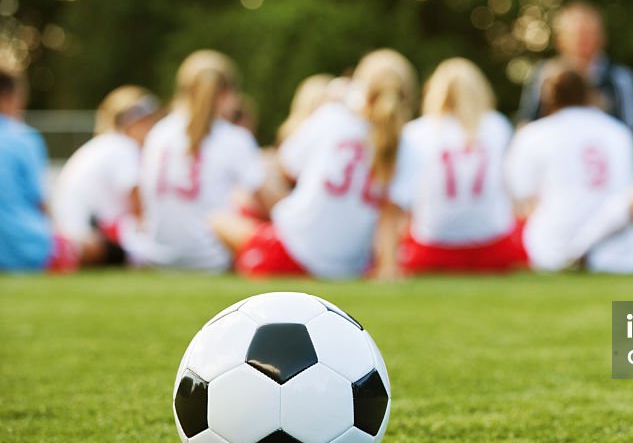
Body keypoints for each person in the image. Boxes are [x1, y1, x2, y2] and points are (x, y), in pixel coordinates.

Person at [214, 49, 418, 279]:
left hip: (291, 249)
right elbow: (390, 216)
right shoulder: (406, 144)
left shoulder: (333, 116)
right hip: (348, 265)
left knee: (217, 219)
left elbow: (285, 166)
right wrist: (387, 268)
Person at [386, 58, 524, 274]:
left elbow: (403, 202)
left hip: (432, 249)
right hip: (494, 248)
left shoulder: (417, 132)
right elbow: (515, 191)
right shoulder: (497, 126)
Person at [135, 50, 266, 271]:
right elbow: (264, 200)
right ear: (228, 93)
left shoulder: (159, 133)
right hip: (213, 257)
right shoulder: (233, 138)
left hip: (158, 256)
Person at [506, 67, 633, 273]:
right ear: (589, 94)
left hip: (552, 250)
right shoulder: (619, 133)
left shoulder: (534, 134)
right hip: (618, 254)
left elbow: (520, 193)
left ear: (547, 97)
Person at [51, 86, 160, 262]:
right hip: (84, 238)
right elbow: (139, 208)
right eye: (146, 120)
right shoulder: (123, 147)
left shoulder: (107, 144)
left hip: (73, 233)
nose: (151, 127)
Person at [518, 0, 633, 133]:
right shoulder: (544, 74)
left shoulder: (619, 77)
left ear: (602, 38)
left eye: (588, 33)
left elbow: (632, 129)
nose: (582, 40)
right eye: (576, 34)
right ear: (560, 40)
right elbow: (527, 123)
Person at [0, 68, 78, 272]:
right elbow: (41, 202)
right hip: (26, 248)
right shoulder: (23, 137)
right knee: (88, 246)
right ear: (11, 97)